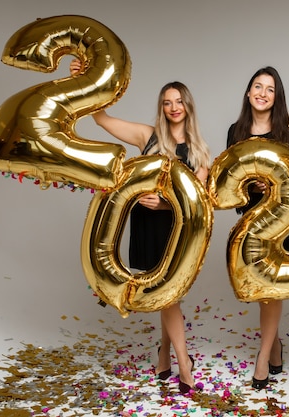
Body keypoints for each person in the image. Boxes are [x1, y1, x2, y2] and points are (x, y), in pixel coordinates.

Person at [70, 59, 210, 395]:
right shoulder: (147, 137)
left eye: (178, 101)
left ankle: (178, 359)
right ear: (162, 108)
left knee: (167, 296)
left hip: (175, 234)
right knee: (163, 296)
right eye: (167, 102)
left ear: (188, 106)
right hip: (145, 226)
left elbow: (198, 205)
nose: (173, 107)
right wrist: (85, 81)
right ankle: (170, 357)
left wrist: (164, 204)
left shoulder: (201, 154)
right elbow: (102, 120)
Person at [226, 66, 289, 390]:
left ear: (277, 97)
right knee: (262, 291)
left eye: (270, 89)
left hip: (284, 224)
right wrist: (252, 190)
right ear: (248, 93)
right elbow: (232, 185)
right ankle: (274, 347)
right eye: (257, 87)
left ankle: (262, 358)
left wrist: (275, 187)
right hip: (252, 222)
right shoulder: (236, 131)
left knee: (271, 289)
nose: (262, 93)